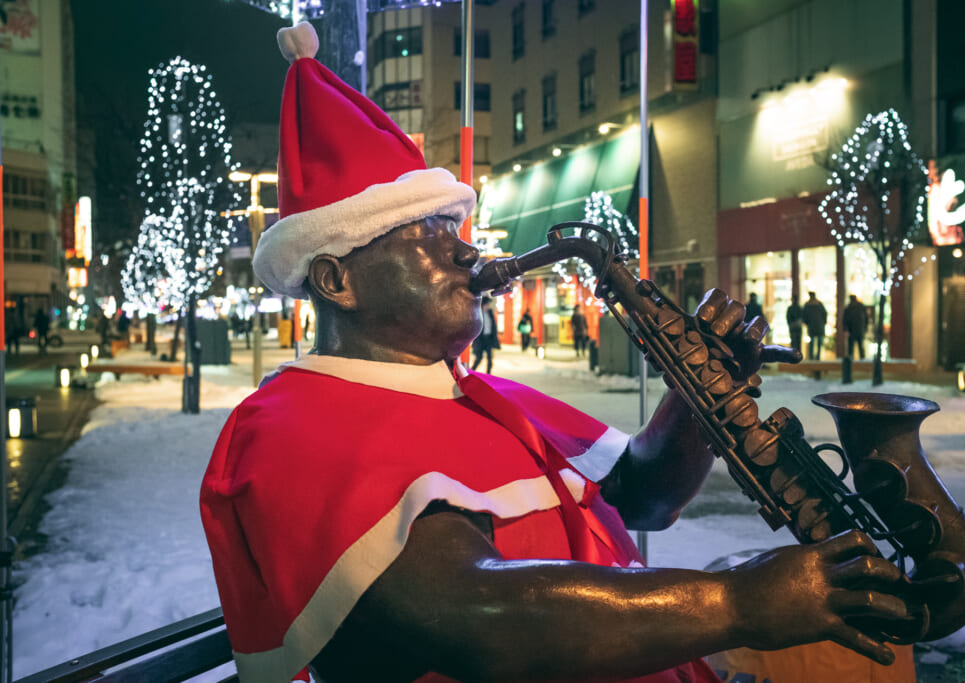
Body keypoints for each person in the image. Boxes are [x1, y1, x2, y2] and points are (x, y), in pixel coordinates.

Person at [201, 23, 910, 683]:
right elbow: (472, 613)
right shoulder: (289, 425)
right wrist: (738, 601)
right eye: (425, 233)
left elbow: (645, 492)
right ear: (336, 279)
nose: (466, 247)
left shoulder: (479, 395)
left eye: (456, 224)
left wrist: (703, 395)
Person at [471, 296, 499, 373]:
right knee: (479, 358)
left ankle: (488, 374)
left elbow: (493, 326)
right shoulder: (478, 314)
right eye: (487, 304)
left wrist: (494, 338)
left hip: (488, 338)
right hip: (481, 339)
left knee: (490, 358)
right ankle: (471, 372)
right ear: (483, 305)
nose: (488, 306)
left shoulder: (490, 313)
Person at [843, 294, 869, 360]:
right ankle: (853, 359)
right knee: (853, 347)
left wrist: (865, 328)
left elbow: (866, 318)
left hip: (858, 329)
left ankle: (860, 359)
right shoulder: (850, 308)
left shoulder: (857, 307)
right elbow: (845, 320)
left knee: (859, 346)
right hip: (854, 329)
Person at [803, 291, 827, 360]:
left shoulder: (807, 305)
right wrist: (824, 322)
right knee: (819, 342)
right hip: (820, 326)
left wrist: (807, 323)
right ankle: (817, 357)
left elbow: (804, 316)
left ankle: (811, 357)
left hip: (812, 326)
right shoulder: (819, 304)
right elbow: (825, 314)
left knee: (812, 342)